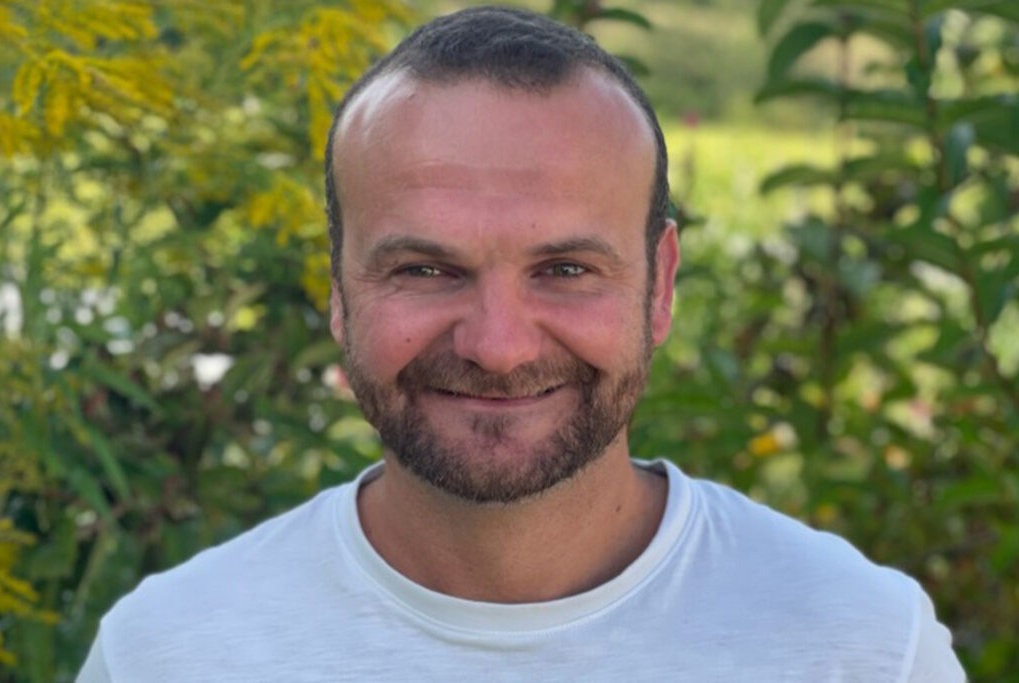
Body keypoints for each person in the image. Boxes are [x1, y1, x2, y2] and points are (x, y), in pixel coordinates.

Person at [78, 6, 965, 681]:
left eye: (567, 270)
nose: (498, 347)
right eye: (426, 270)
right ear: (339, 289)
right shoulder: (168, 654)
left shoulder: (862, 649)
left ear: (660, 283)